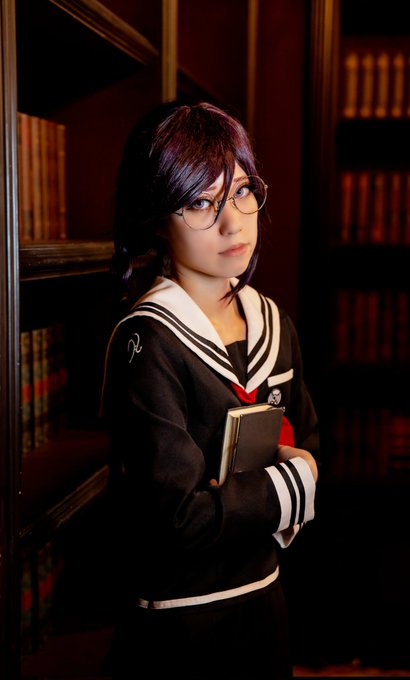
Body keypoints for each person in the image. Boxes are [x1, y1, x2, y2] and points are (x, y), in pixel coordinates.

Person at [101, 100, 319, 680]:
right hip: (180, 625)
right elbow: (177, 517)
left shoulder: (274, 323)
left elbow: (310, 441)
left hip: (265, 600)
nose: (233, 223)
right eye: (201, 202)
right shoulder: (148, 340)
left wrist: (250, 492)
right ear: (156, 217)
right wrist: (291, 483)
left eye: (242, 192)